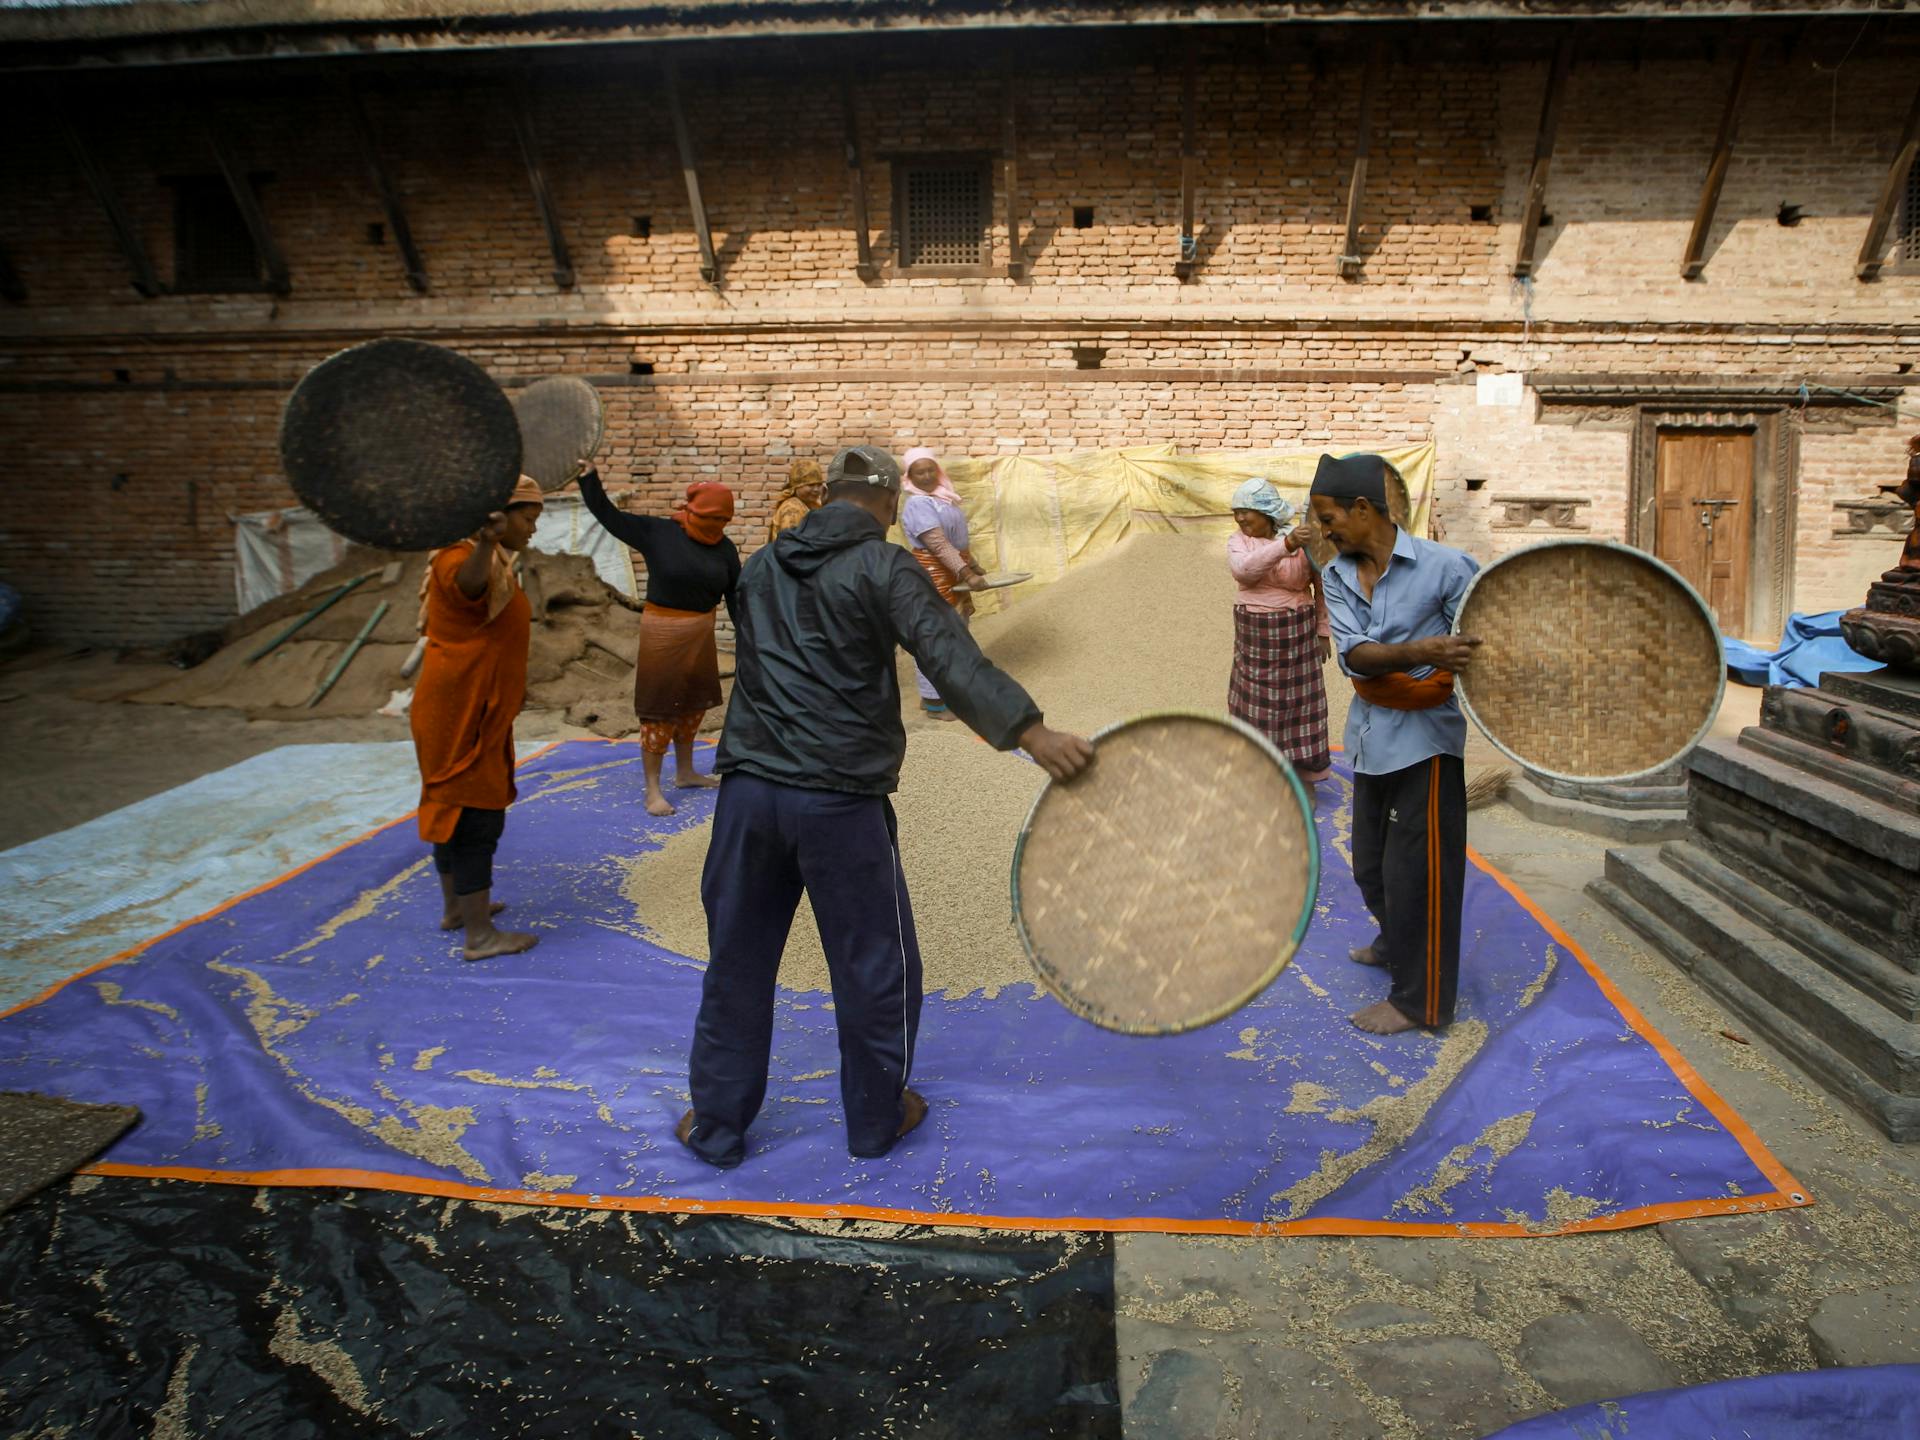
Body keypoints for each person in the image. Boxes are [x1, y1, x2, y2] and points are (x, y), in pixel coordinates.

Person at [678, 444, 1093, 1169]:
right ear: (890, 506)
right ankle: (874, 1121)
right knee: (872, 964)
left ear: (827, 496)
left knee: (736, 963)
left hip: (748, 794)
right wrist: (1032, 732)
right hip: (837, 801)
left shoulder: (765, 564)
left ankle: (716, 1126)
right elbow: (947, 652)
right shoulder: (885, 564)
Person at [1309, 452, 1481, 1036]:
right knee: (1372, 865)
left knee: (1422, 876)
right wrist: (1423, 654)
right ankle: (1394, 940)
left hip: (1427, 745)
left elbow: (1482, 643)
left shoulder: (1447, 568)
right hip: (1370, 735)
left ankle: (1421, 1002)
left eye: (1328, 517)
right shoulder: (1334, 574)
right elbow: (1354, 655)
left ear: (1364, 509)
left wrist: (1439, 665)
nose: (1323, 530)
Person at [412, 476, 546, 960]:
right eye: (528, 518)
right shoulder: (460, 557)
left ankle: (456, 910)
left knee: (452, 804)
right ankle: (479, 937)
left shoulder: (485, 555)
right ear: (497, 516)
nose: (532, 529)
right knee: (473, 816)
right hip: (462, 712)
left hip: (466, 706)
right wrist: (487, 541)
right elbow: (467, 588)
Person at [579, 468, 741, 817]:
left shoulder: (725, 549)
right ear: (691, 510)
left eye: (722, 521)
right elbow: (609, 516)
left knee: (694, 705)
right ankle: (652, 788)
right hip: (663, 633)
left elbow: (735, 596)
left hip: (701, 634)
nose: (715, 526)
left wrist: (749, 641)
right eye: (709, 518)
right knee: (659, 711)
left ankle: (685, 773)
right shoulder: (659, 532)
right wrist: (588, 480)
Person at [1226, 478, 1333, 786]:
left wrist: (1323, 631)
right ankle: (1260, 775)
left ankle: (1300, 777)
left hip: (1298, 636)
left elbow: (1320, 586)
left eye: (1247, 511)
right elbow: (1244, 570)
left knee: (1300, 705)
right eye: (1237, 512)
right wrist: (1286, 546)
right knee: (1258, 705)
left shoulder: (1302, 541)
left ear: (1268, 512)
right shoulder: (1238, 543)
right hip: (1255, 637)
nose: (1241, 518)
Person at [898, 446, 987, 720]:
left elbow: (958, 542)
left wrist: (972, 565)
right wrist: (967, 573)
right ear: (910, 476)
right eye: (919, 472)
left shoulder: (944, 499)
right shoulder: (917, 504)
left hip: (953, 569)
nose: (926, 476)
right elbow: (938, 545)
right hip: (933, 573)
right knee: (936, 635)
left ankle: (942, 694)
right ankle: (935, 701)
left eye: (930, 470)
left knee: (955, 632)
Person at [768, 457, 826, 542]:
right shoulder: (791, 510)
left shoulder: (812, 505)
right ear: (797, 486)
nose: (816, 489)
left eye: (819, 484)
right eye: (811, 485)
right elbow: (789, 547)